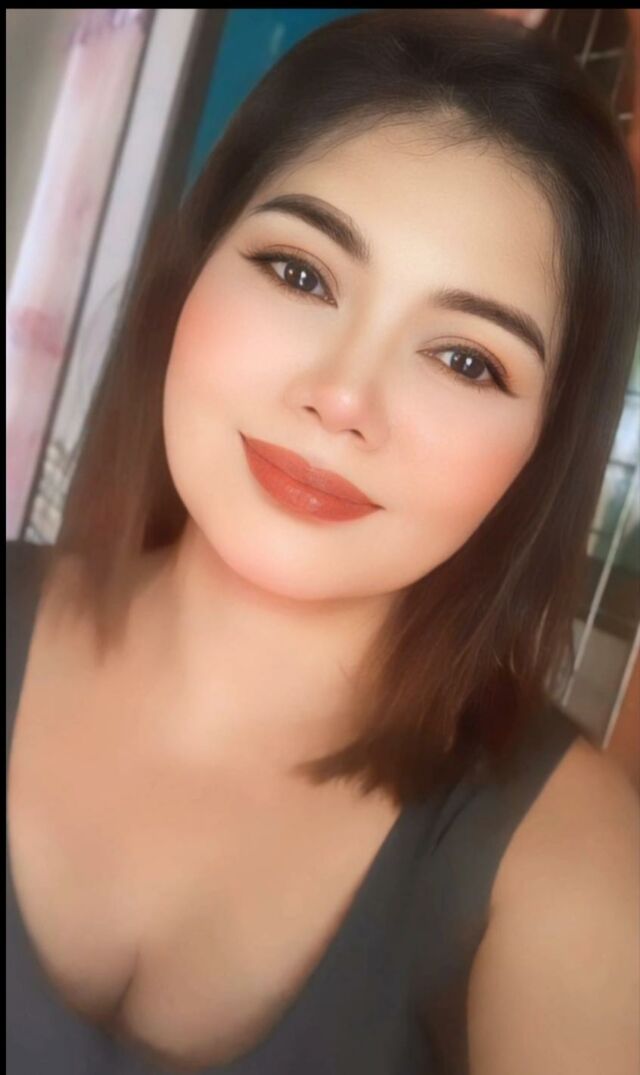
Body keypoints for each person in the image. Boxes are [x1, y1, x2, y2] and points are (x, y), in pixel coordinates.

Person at [6, 10, 640, 1075]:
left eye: (466, 360)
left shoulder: (565, 860)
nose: (343, 398)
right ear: (190, 273)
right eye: (301, 273)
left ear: (541, 451)